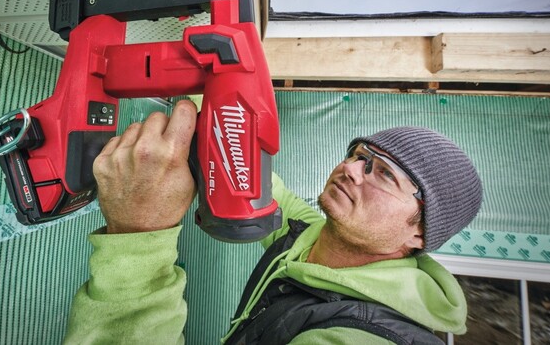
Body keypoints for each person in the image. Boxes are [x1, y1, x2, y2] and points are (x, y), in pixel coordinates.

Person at [64, 99, 483, 344]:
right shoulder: (310, 233)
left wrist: (139, 231)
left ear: (419, 231)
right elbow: (262, 186)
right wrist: (217, 98)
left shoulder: (364, 336)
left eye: (385, 174)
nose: (352, 169)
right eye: (359, 155)